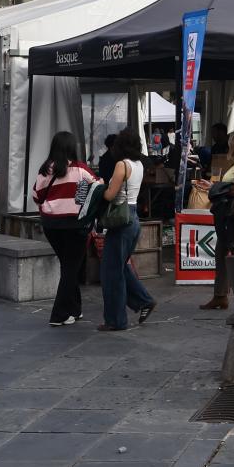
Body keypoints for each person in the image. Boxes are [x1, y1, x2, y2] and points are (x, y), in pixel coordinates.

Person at [33, 130, 99, 326]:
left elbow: (37, 196)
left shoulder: (46, 170)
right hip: (75, 226)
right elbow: (95, 190)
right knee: (71, 267)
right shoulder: (81, 170)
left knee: (68, 265)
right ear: (72, 148)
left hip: (51, 225)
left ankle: (75, 309)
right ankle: (59, 315)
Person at [95, 130, 157, 332]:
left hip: (121, 219)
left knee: (111, 272)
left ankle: (116, 320)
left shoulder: (122, 165)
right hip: (133, 218)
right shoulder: (139, 165)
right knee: (120, 266)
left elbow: (110, 195)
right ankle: (144, 300)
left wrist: (99, 186)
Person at [193, 128, 234, 310]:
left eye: (232, 141)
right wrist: (214, 186)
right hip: (233, 215)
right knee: (223, 253)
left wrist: (218, 189)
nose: (229, 144)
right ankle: (221, 295)